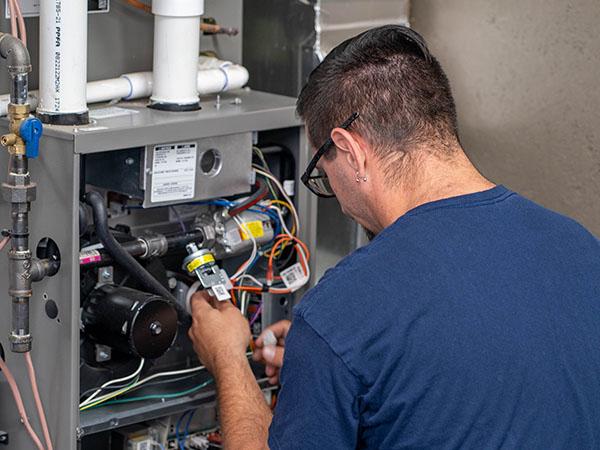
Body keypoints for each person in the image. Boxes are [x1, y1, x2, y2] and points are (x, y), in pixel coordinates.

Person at [188, 25, 600, 449]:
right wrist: (331, 359)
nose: (339, 202)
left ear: (351, 151)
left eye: (324, 176)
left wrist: (227, 358)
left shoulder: (343, 312)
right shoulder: (580, 248)